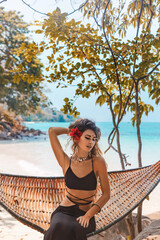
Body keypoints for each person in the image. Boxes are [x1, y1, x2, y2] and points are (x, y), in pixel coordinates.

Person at [44, 118, 110, 240]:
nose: (91, 142)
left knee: (77, 229)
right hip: (63, 211)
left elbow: (106, 195)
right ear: (77, 137)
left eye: (94, 139)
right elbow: (52, 131)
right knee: (58, 226)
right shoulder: (66, 162)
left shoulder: (98, 162)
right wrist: (72, 131)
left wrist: (88, 215)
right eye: (87, 137)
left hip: (85, 214)